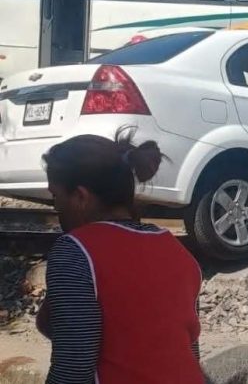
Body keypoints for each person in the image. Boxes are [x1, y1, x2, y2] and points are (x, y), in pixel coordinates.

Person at [37, 129, 204, 384]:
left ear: (81, 196)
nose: (56, 207)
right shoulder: (178, 252)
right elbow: (188, 351)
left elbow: (73, 369)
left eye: (56, 196)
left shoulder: (76, 251)